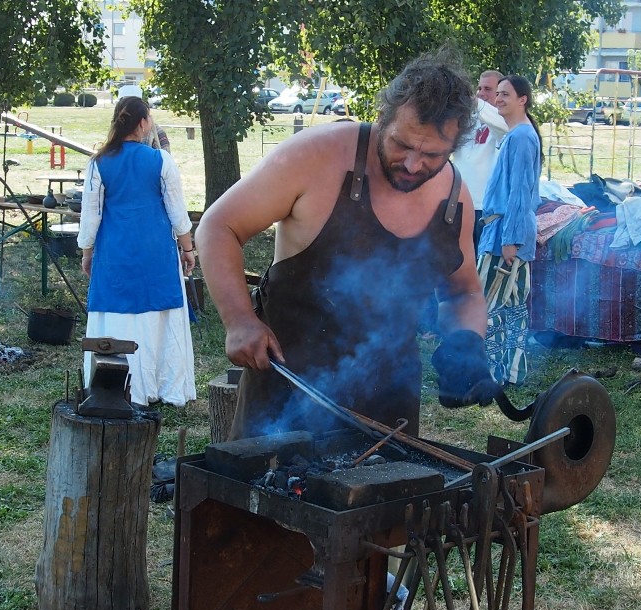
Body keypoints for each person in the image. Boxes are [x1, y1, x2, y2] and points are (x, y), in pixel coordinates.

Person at [197, 50, 502, 440]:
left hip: (389, 416)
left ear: (455, 146)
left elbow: (463, 292)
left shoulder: (455, 201)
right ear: (383, 118)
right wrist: (239, 321)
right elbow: (219, 225)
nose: (412, 164)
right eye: (401, 144)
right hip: (284, 402)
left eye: (431, 155)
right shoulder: (316, 157)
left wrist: (466, 343)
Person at [78, 95, 197, 407]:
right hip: (155, 254)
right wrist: (188, 249)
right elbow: (177, 212)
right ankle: (161, 385)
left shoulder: (98, 163)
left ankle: (115, 385)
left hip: (115, 253)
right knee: (156, 318)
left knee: (117, 317)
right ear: (143, 123)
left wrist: (87, 252)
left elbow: (91, 217)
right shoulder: (162, 161)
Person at [476, 75, 543, 387]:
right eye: (497, 93)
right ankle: (512, 372)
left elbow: (519, 194)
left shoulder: (521, 138)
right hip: (506, 233)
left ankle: (489, 373)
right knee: (513, 308)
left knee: (486, 306)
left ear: (523, 99)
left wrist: (510, 241)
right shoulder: (518, 135)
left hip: (505, 236)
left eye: (505, 94)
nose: (498, 99)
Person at [453, 70, 509, 251]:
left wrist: (473, 101)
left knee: (479, 265)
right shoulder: (467, 119)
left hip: (484, 208)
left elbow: (503, 125)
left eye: (488, 89)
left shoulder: (504, 121)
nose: (481, 93)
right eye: (479, 88)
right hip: (458, 203)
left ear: (499, 94)